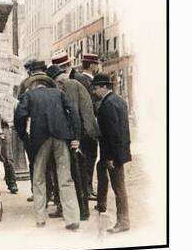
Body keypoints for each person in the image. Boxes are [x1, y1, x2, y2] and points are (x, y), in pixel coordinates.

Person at [14, 79, 81, 230]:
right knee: (65, 177)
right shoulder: (59, 93)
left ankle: (40, 218)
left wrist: (24, 136)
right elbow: (74, 113)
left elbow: (19, 117)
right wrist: (75, 136)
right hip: (61, 136)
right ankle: (72, 219)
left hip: (39, 139)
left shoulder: (29, 96)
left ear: (33, 85)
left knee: (38, 178)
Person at [46, 64, 100, 221]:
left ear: (57, 81)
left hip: (82, 137)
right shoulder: (72, 84)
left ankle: (82, 211)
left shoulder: (69, 86)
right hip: (82, 134)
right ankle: (76, 209)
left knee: (77, 175)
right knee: (76, 174)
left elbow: (74, 114)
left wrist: (75, 139)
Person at [92, 73, 132, 233]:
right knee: (112, 180)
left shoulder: (107, 105)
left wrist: (109, 158)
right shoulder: (119, 100)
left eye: (96, 88)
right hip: (120, 150)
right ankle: (105, 206)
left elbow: (111, 134)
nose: (94, 92)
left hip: (112, 153)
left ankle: (123, 222)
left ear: (104, 87)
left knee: (119, 187)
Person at [16, 60, 56, 202]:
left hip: (32, 130)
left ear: (30, 71)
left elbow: (20, 106)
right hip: (52, 129)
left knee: (35, 162)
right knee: (51, 163)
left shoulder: (25, 84)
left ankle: (38, 193)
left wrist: (21, 133)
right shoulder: (51, 82)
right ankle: (51, 192)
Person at [79, 53, 101, 200]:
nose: (98, 66)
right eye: (97, 64)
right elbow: (90, 105)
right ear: (92, 65)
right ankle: (87, 190)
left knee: (88, 157)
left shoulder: (82, 80)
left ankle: (88, 188)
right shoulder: (87, 82)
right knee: (89, 157)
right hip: (88, 125)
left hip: (86, 125)